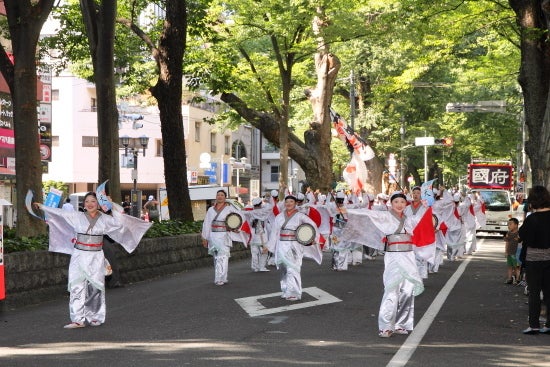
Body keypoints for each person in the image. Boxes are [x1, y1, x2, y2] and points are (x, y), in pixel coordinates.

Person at [33, 191, 151, 329]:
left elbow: (120, 220)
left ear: (99, 204)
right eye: (87, 201)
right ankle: (77, 319)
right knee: (76, 286)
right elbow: (59, 213)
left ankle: (95, 317)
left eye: (93, 201)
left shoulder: (106, 219)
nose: (89, 204)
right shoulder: (76, 216)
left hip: (96, 255)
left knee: (95, 287)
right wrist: (42, 206)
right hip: (78, 255)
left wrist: (111, 204)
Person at [343, 191, 435, 338]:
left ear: (406, 204)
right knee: (391, 290)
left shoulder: (410, 219)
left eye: (402, 202)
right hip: (393, 257)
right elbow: (367, 213)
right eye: (396, 202)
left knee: (407, 291)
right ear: (391, 204)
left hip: (408, 256)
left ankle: (402, 324)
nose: (399, 204)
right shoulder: (384, 216)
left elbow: (423, 220)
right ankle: (386, 326)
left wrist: (427, 206)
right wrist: (347, 210)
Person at [266, 195, 322, 301]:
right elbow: (274, 232)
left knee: (293, 268)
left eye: (291, 201)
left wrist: (312, 238)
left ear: (295, 203)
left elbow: (312, 225)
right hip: (281, 244)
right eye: (287, 202)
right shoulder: (279, 217)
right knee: (284, 269)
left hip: (294, 245)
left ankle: (294, 292)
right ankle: (286, 290)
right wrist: (270, 246)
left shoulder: (300, 216)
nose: (288, 204)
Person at [518, 185, 550, 334]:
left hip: (534, 259)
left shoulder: (532, 219)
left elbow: (523, 236)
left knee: (534, 293)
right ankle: (549, 324)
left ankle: (534, 325)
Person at [201, 189, 246, 286]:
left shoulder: (229, 209)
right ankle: (219, 277)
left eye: (222, 195)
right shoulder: (210, 210)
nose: (220, 196)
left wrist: (236, 227)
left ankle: (222, 277)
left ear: (225, 198)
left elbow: (240, 216)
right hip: (213, 235)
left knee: (223, 257)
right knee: (216, 257)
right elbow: (206, 224)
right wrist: (204, 237)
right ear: (216, 197)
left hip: (224, 235)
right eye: (218, 195)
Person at [504, 218, 521, 284]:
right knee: (509, 266)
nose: (509, 226)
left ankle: (517, 279)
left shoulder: (519, 233)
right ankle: (509, 278)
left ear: (516, 225)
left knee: (517, 267)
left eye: (510, 224)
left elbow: (521, 243)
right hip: (509, 253)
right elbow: (507, 242)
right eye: (508, 224)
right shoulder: (508, 233)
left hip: (516, 253)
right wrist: (506, 251)